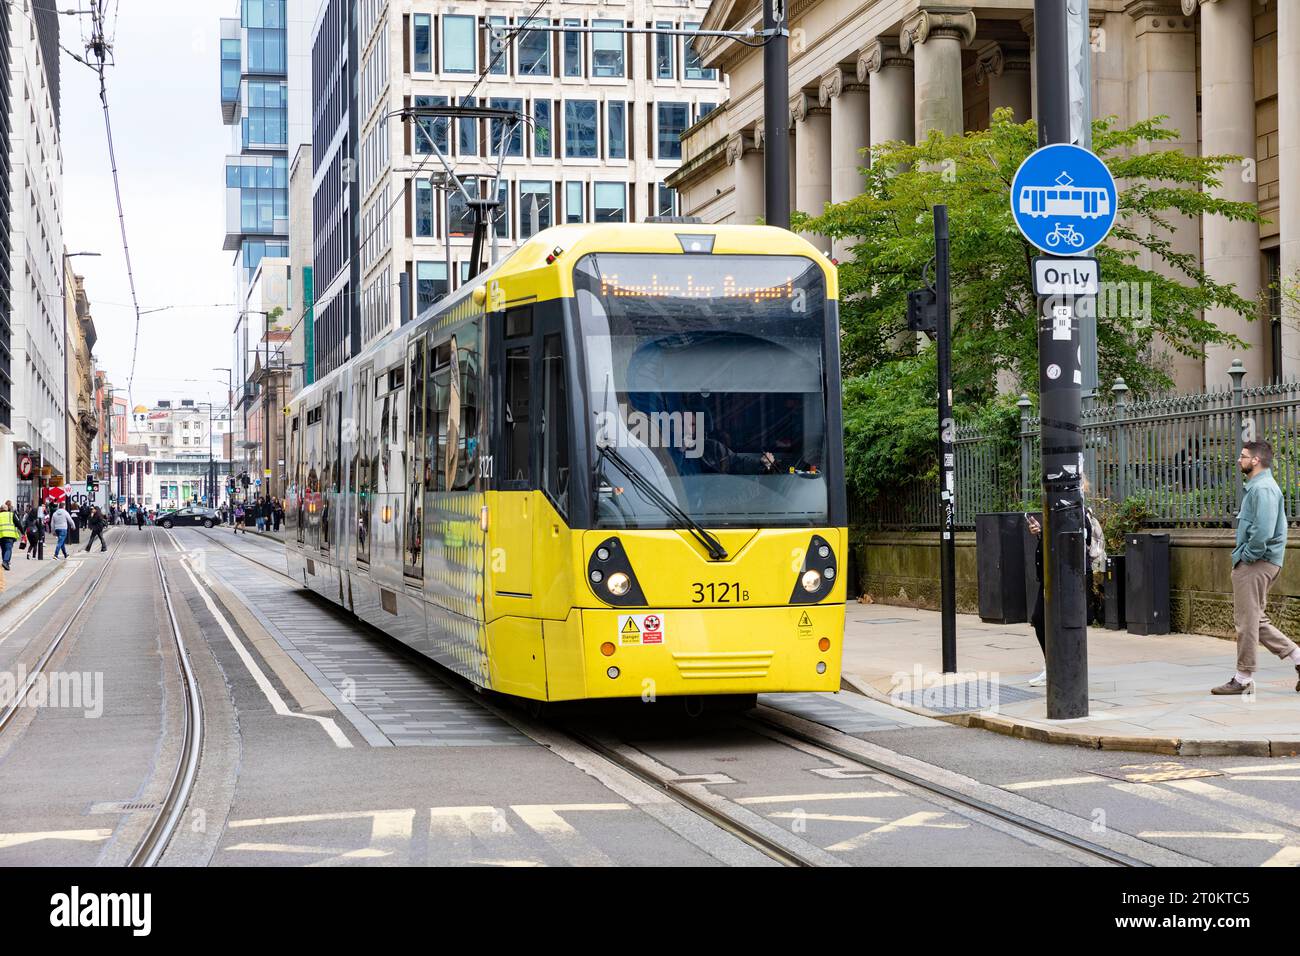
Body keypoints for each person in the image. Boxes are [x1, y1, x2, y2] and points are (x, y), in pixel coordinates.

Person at [1212, 440, 1300, 695]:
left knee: (1246, 622)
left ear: (1256, 460)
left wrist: (1247, 557)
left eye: (1243, 456)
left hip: (1257, 563)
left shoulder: (1263, 489)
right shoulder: (1259, 487)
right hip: (1259, 561)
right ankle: (1297, 657)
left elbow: (1262, 530)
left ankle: (1243, 678)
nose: (1239, 460)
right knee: (1255, 620)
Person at [1026, 477, 1103, 687]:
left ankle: (1063, 668)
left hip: (1069, 575)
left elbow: (1078, 543)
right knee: (1041, 619)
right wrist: (1041, 532)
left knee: (1061, 622)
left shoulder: (1078, 511)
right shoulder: (1056, 508)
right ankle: (1054, 666)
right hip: (1052, 574)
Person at [0, 502, 20, 570]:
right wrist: (23, 532)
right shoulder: (11, 515)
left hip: (1, 535)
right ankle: (5, 562)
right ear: (7, 509)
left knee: (3, 549)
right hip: (10, 535)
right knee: (8, 549)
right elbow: (18, 524)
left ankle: (6, 563)